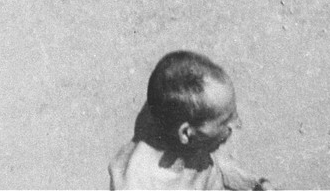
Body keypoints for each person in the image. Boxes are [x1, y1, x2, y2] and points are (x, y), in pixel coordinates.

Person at [109, 51, 271, 190]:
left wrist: (255, 184)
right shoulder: (140, 183)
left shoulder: (195, 137)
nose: (237, 124)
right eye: (225, 121)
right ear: (186, 133)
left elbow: (220, 164)